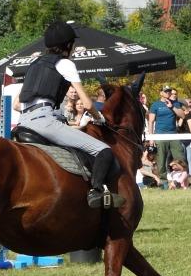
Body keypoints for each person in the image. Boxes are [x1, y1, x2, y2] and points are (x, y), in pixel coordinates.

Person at [17, 20, 122, 209]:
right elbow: (87, 103)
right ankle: (96, 192)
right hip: (45, 122)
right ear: (68, 45)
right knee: (103, 151)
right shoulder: (65, 63)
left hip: (23, 122)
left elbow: (17, 104)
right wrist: (99, 118)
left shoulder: (33, 65)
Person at [147, 84, 186, 188]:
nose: (168, 93)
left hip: (173, 134)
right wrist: (151, 138)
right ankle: (164, 183)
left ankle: (180, 181)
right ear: (161, 93)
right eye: (166, 91)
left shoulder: (175, 103)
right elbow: (151, 121)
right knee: (161, 160)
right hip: (160, 135)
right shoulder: (155, 105)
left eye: (169, 91)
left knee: (180, 158)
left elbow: (183, 115)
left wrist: (172, 107)